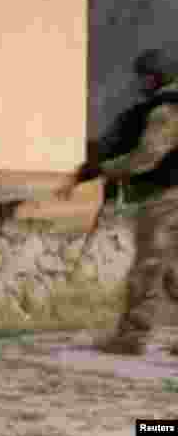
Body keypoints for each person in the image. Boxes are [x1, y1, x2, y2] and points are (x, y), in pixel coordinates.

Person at [59, 48, 178, 356]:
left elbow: (148, 156)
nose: (141, 83)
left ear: (155, 76)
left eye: (144, 77)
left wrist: (104, 169)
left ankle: (131, 338)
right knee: (172, 270)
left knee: (147, 269)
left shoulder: (165, 111)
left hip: (164, 199)